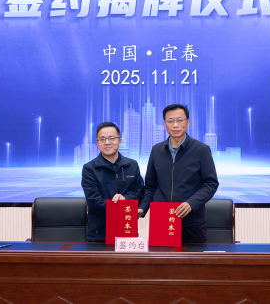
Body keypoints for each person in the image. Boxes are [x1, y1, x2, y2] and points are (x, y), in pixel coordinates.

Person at [139, 103, 219, 243]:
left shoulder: (201, 150)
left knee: (193, 257)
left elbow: (211, 183)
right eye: (170, 121)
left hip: (192, 221)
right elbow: (151, 185)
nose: (175, 125)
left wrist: (191, 203)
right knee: (161, 257)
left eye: (180, 120)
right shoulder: (156, 150)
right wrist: (143, 208)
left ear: (187, 122)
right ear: (165, 124)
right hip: (162, 219)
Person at [81, 122, 144, 242]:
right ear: (97, 143)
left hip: (127, 229)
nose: (107, 142)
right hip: (99, 233)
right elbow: (94, 202)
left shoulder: (132, 165)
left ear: (120, 141)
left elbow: (139, 191)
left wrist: (125, 199)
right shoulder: (89, 169)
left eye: (112, 138)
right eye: (102, 139)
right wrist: (121, 207)